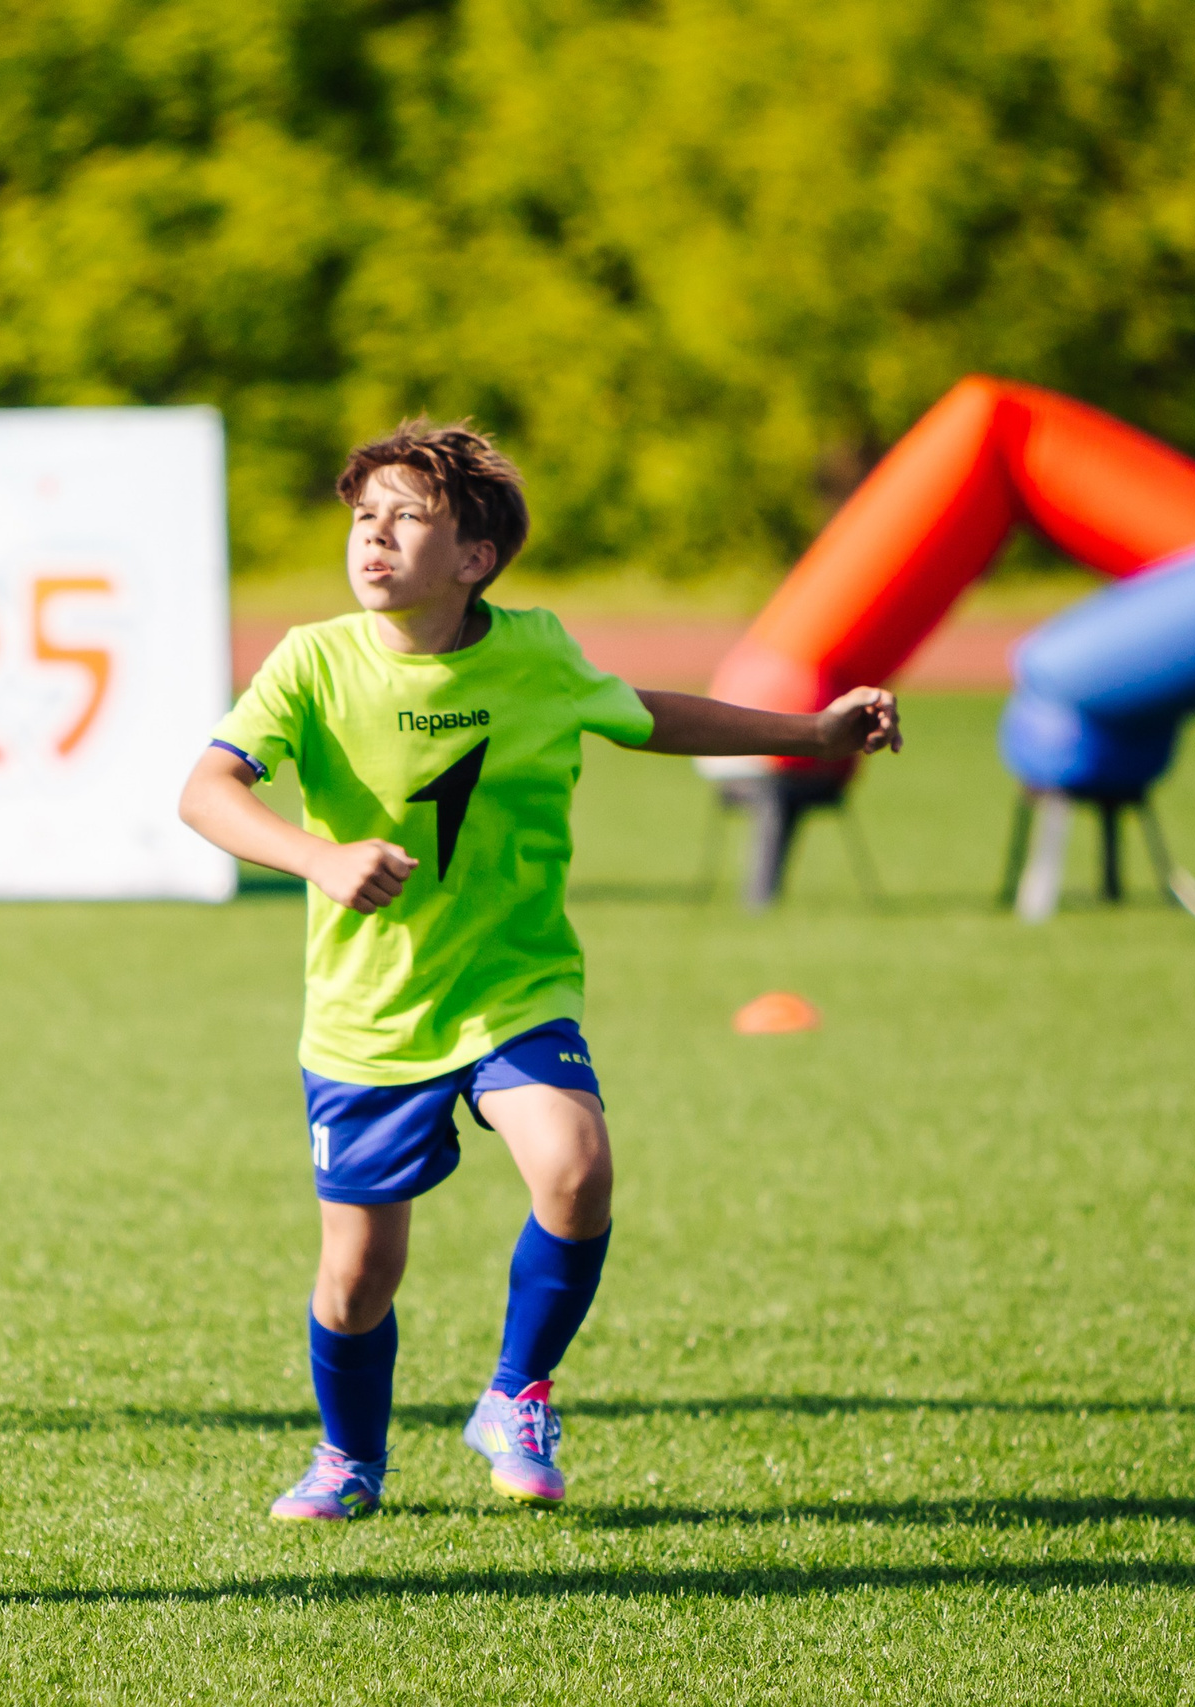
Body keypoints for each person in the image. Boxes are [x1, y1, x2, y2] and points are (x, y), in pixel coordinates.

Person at [178, 419, 900, 1519]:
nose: (372, 538)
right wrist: (317, 856)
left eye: (405, 519)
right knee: (357, 1276)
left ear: (473, 559)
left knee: (575, 1166)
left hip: (515, 988)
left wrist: (811, 734)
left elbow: (640, 713)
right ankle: (348, 1459)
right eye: (362, 517)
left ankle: (514, 1391)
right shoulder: (312, 660)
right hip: (369, 1017)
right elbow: (206, 791)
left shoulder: (537, 652)